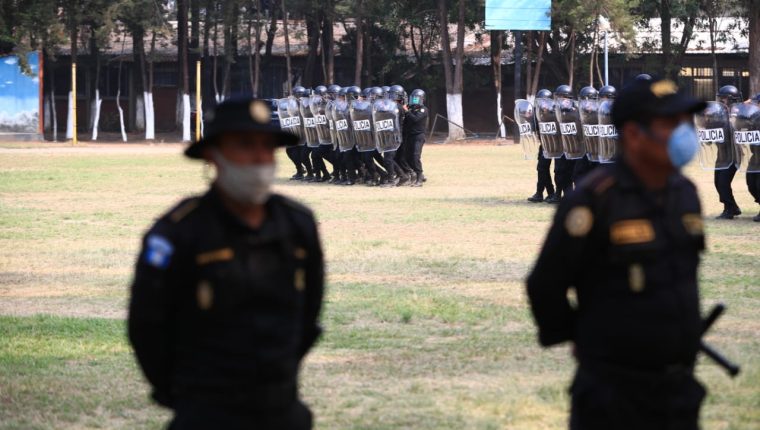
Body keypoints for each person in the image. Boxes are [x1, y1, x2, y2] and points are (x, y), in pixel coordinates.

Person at [128, 98, 325, 430]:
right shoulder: (179, 232)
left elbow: (308, 316)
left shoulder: (297, 225)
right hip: (207, 412)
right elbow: (147, 328)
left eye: (267, 147)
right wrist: (182, 394)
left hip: (282, 410)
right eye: (245, 145)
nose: (260, 159)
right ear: (212, 154)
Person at [527, 78, 708, 429]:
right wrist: (581, 337)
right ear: (633, 133)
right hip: (614, 392)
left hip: (679, 388)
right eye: (671, 124)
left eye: (686, 123)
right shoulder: (595, 198)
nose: (684, 133)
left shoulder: (685, 194)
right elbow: (545, 284)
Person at [712, 85, 742, 219]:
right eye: (721, 98)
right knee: (717, 182)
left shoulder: (740, 115)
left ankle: (729, 210)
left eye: (724, 99)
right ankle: (732, 207)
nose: (721, 101)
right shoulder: (718, 115)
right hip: (721, 154)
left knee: (723, 182)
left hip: (734, 155)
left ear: (732, 100)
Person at [403, 89, 429, 186]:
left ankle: (419, 177)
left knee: (415, 156)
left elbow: (415, 119)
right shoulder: (411, 109)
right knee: (407, 157)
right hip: (410, 136)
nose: (414, 101)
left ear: (422, 99)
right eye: (413, 99)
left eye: (416, 99)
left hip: (419, 136)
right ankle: (416, 174)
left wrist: (407, 111)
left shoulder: (423, 109)